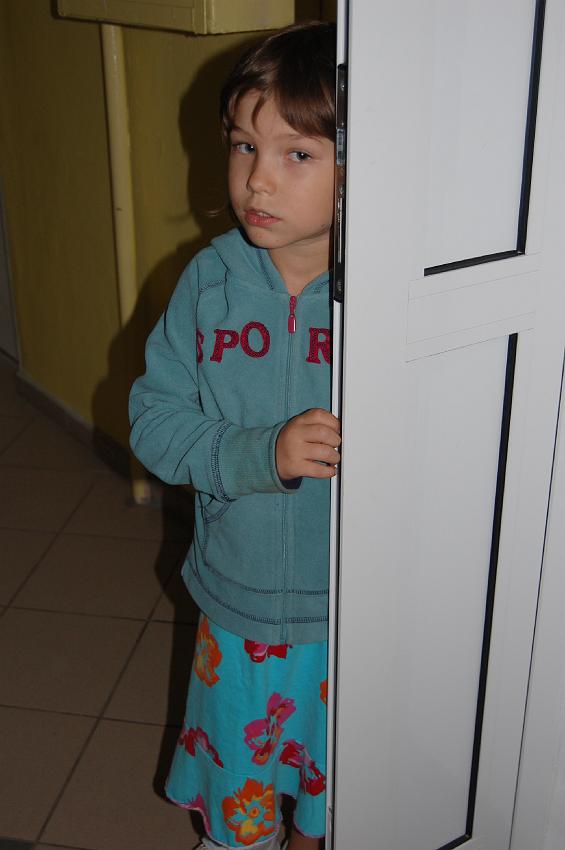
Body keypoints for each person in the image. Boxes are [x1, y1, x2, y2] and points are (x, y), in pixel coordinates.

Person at [129, 21, 340, 850]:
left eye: (297, 154)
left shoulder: (384, 299)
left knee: (333, 791)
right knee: (240, 798)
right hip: (238, 602)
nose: (258, 178)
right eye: (244, 145)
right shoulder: (208, 282)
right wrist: (260, 454)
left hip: (350, 610)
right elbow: (154, 422)